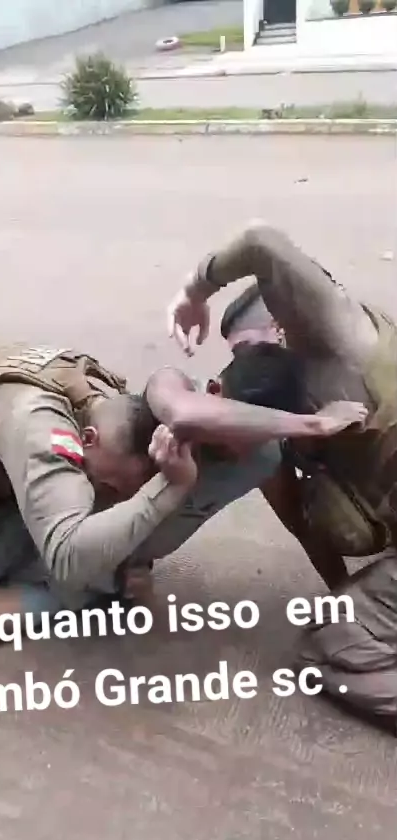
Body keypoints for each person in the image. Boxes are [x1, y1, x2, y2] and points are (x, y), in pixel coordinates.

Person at [0, 342, 365, 654]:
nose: (238, 447)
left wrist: (347, 596)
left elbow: (300, 522)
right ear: (215, 392)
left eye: (255, 436)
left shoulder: (263, 457)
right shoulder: (171, 400)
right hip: (48, 525)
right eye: (239, 427)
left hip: (94, 580)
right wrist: (314, 425)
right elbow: (182, 412)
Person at [166, 219, 397, 731]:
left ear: (284, 323)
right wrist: (352, 603)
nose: (248, 360)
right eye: (238, 353)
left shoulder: (346, 345)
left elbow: (261, 242)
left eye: (255, 344)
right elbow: (301, 522)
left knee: (323, 652)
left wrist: (194, 290)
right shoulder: (280, 413)